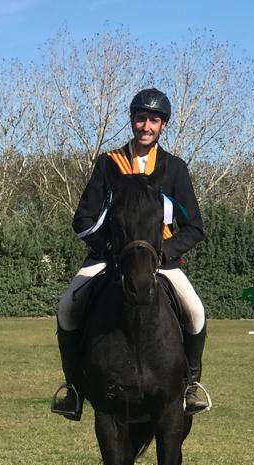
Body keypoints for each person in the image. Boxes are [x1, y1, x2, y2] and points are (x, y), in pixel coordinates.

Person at [51, 88, 209, 420]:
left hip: (160, 260)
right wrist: (109, 248)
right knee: (67, 308)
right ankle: (74, 389)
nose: (146, 126)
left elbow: (193, 226)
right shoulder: (109, 164)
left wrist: (163, 252)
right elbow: (83, 219)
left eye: (153, 120)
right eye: (141, 118)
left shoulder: (174, 169)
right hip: (110, 257)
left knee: (195, 312)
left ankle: (191, 387)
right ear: (132, 120)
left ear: (163, 125)